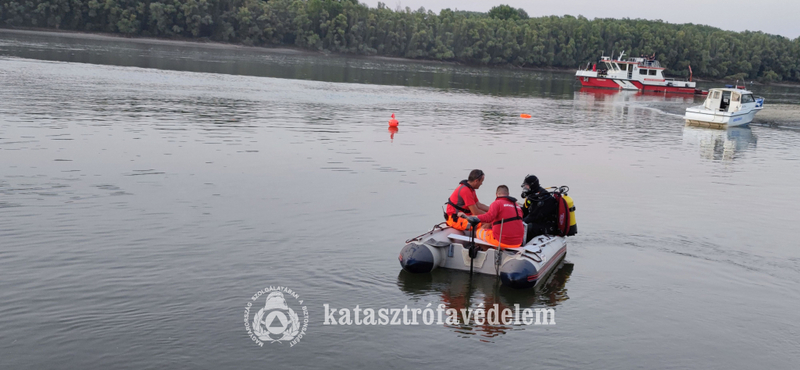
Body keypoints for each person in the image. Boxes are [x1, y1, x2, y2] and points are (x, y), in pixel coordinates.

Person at [458, 185, 524, 249]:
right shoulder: (517, 206)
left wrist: (472, 217)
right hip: (518, 242)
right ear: (508, 194)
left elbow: (488, 217)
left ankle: (484, 251)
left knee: (479, 232)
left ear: (496, 194)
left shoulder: (496, 203)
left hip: (503, 241)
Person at [520, 175, 558, 242]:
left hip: (548, 226)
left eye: (527, 186)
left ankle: (522, 244)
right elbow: (525, 210)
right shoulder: (532, 195)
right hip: (538, 221)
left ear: (532, 185)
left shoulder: (542, 198)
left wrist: (519, 223)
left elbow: (533, 216)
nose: (525, 188)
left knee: (529, 227)